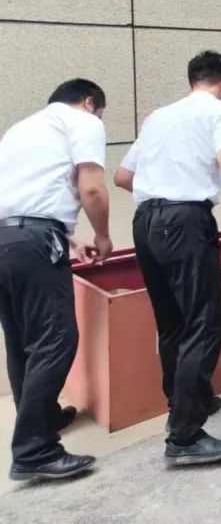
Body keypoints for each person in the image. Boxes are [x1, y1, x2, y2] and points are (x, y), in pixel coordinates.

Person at [115, 51, 221, 467]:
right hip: (185, 221)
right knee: (204, 323)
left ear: (192, 80)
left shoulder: (158, 117)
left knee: (172, 323)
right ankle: (184, 436)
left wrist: (160, 197)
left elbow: (123, 177)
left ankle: (187, 400)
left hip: (146, 221)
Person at [0, 80, 113, 481]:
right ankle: (34, 450)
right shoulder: (83, 120)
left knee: (21, 340)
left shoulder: (20, 130)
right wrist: (102, 236)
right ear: (89, 102)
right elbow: (92, 189)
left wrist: (66, 238)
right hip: (34, 240)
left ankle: (41, 419)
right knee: (56, 338)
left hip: (7, 239)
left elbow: (23, 198)